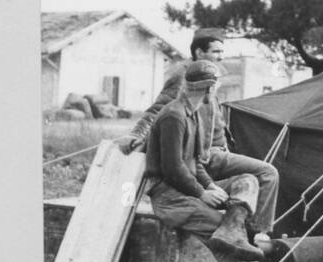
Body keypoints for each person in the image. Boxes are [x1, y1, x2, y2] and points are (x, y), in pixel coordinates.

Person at [120, 26, 280, 246]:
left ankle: (240, 231)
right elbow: (157, 110)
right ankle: (257, 235)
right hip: (207, 155)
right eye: (216, 52)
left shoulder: (209, 75)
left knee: (248, 182)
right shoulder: (185, 78)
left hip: (214, 154)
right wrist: (136, 133)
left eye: (222, 52)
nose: (221, 56)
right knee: (267, 172)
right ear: (199, 52)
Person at [143, 60, 265, 262]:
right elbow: (172, 168)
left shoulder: (194, 113)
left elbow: (196, 163)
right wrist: (202, 193)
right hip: (169, 197)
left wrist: (210, 186)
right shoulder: (173, 116)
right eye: (216, 86)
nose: (216, 91)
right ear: (209, 89)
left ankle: (233, 229)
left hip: (187, 189)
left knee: (247, 181)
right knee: (219, 231)